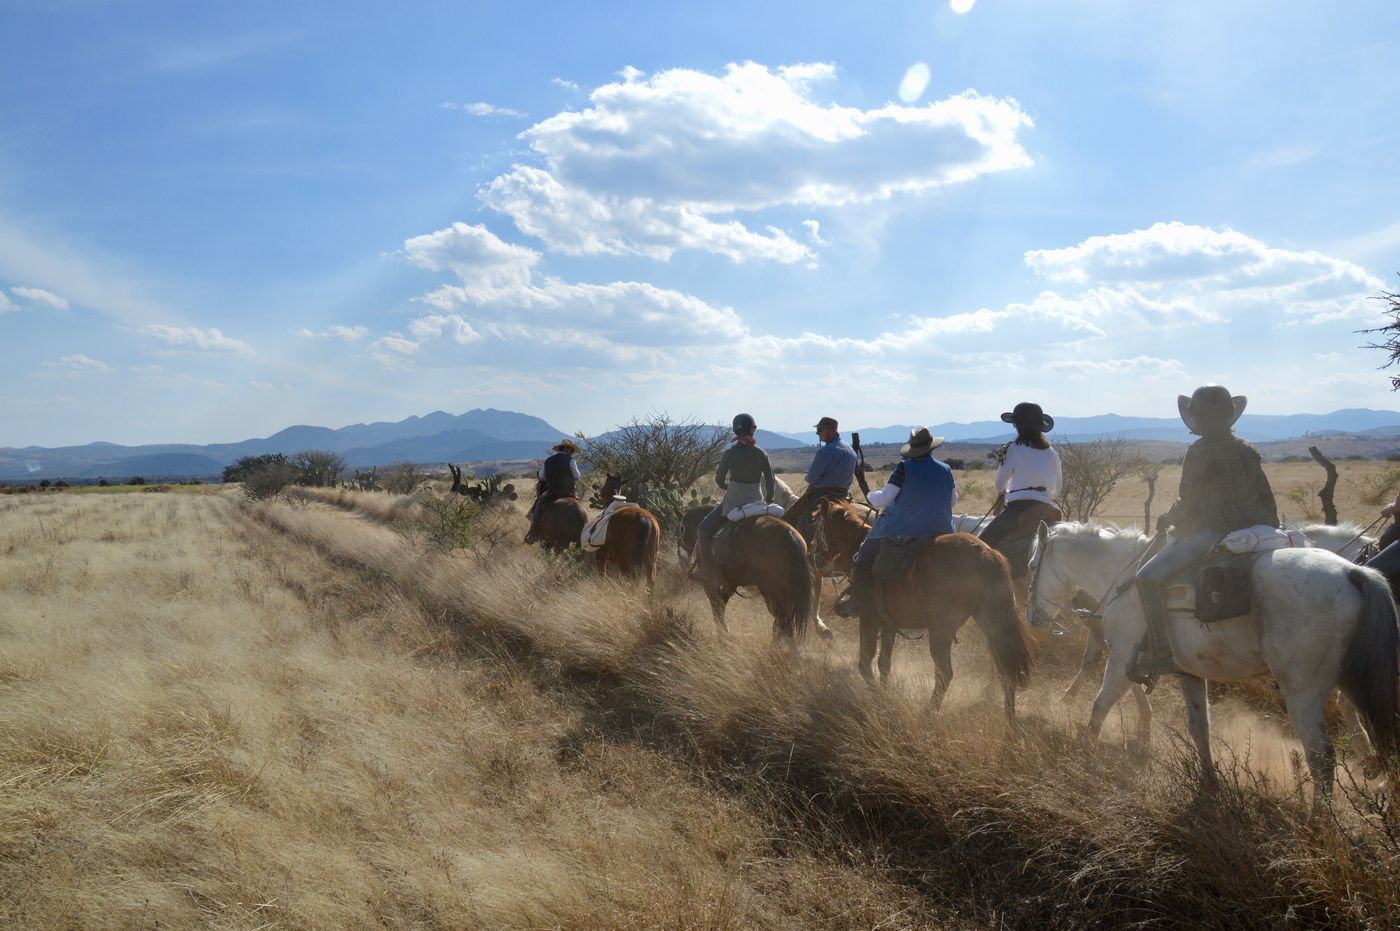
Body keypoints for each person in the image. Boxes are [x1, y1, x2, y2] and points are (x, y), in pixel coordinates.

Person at [1128, 385, 1278, 686]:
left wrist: (1166, 518)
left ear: (1196, 418)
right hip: (1255, 531)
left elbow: (1190, 503)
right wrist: (1268, 530)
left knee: (1146, 578)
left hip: (1212, 532)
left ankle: (1160, 654)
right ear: (1229, 415)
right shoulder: (1248, 450)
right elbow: (1266, 500)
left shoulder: (1199, 451)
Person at [836, 427, 956, 618]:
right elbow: (952, 501)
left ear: (912, 449)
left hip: (906, 530)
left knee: (865, 554)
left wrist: (869, 496)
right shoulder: (946, 469)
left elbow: (883, 499)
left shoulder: (904, 467)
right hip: (943, 530)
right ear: (931, 448)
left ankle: (856, 602)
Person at [690, 413, 776, 581]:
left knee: (704, 528)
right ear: (753, 430)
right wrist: (770, 499)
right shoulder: (761, 453)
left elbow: (719, 479)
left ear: (736, 431)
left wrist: (728, 487)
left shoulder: (730, 453)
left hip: (734, 501)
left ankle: (706, 569)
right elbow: (770, 479)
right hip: (756, 501)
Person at [979, 402, 1063, 569]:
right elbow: (1057, 489)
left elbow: (999, 485)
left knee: (981, 547)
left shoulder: (1013, 449)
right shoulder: (1053, 453)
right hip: (1048, 508)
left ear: (1018, 425)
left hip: (1017, 509)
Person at [783, 415, 858, 542]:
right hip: (844, 495)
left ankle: (804, 547)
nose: (818, 433)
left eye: (820, 429)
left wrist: (808, 476)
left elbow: (812, 478)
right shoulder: (850, 450)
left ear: (830, 430)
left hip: (821, 495)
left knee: (791, 517)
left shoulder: (825, 451)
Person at [525, 438, 581, 543]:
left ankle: (533, 533)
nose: (572, 453)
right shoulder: (571, 460)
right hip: (569, 492)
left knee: (539, 505)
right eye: (571, 450)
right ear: (566, 449)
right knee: (579, 506)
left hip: (552, 492)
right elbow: (577, 476)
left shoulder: (548, 460)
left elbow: (542, 477)